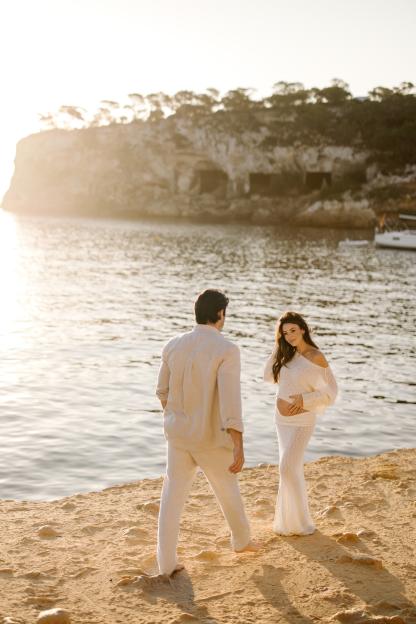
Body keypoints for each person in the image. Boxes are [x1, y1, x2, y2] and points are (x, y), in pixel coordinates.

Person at [156, 289, 258, 576]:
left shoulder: (172, 345)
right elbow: (230, 401)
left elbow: (161, 391)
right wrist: (238, 442)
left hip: (178, 435)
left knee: (171, 498)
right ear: (220, 315)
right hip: (210, 437)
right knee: (228, 491)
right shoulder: (227, 350)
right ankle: (241, 541)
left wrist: (175, 415)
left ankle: (166, 565)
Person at [264, 311, 338, 536]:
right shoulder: (287, 354)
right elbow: (268, 376)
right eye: (285, 333)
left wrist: (304, 399)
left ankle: (302, 523)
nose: (289, 336)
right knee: (291, 469)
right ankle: (288, 522)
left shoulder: (316, 356)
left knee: (286, 467)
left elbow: (331, 392)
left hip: (302, 420)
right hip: (281, 421)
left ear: (303, 329)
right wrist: (278, 345)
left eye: (293, 331)